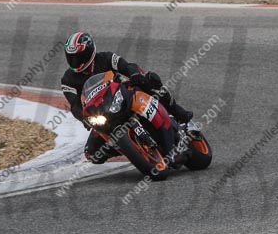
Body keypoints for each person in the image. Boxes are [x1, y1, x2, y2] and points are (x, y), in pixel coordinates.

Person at [60, 31, 194, 165]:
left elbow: (127, 66)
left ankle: (180, 115)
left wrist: (135, 74)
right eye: (71, 57)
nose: (75, 61)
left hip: (125, 94)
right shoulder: (67, 80)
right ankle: (130, 148)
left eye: (79, 57)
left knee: (151, 81)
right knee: (92, 153)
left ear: (90, 52)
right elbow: (75, 105)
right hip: (102, 112)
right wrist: (84, 118)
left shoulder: (106, 57)